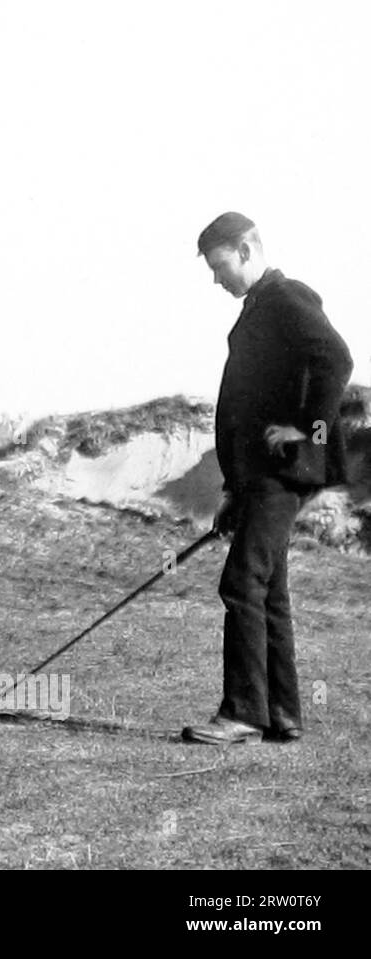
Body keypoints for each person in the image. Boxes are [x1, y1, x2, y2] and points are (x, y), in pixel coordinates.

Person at [184, 212, 353, 745]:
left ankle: (243, 713)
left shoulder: (286, 298)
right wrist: (234, 487)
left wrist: (311, 432)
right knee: (268, 589)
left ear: (248, 248)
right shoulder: (261, 307)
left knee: (241, 582)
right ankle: (282, 713)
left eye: (221, 266)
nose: (216, 279)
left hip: (283, 472)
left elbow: (338, 360)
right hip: (260, 477)